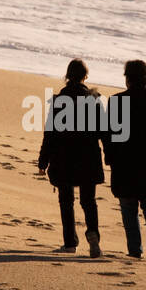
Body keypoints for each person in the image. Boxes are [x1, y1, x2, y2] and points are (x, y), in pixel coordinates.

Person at [104, 59, 146, 258]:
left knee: (128, 207)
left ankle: (135, 250)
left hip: (124, 161)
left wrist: (110, 158)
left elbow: (110, 136)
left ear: (128, 78)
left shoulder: (117, 101)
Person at [37, 59, 106, 257]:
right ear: (86, 76)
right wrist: (110, 155)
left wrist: (43, 162)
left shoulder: (59, 100)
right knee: (88, 201)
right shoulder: (93, 99)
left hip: (63, 158)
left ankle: (69, 243)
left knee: (66, 201)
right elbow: (103, 132)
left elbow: (50, 134)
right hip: (88, 158)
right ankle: (93, 234)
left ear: (67, 76)